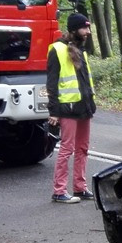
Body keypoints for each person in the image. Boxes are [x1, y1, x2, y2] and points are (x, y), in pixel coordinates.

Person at [47, 12, 97, 204]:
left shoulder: (82, 51)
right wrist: (53, 111)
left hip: (84, 107)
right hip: (67, 108)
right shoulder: (57, 50)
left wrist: (91, 102)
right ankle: (59, 191)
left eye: (89, 28)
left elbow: (86, 81)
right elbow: (51, 84)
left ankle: (80, 187)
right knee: (67, 149)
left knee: (83, 149)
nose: (88, 32)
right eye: (85, 28)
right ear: (75, 29)